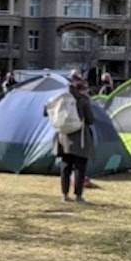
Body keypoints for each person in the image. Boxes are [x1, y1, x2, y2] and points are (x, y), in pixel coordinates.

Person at [51, 72, 96, 203]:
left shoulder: (62, 97)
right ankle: (78, 195)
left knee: (65, 166)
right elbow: (91, 120)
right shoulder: (83, 100)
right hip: (79, 138)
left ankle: (64, 194)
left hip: (63, 137)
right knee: (80, 168)